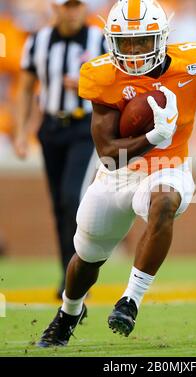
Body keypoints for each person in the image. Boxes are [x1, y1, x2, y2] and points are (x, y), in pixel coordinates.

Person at [37, 0, 196, 347]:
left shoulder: (194, 63)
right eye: (125, 43)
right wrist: (153, 136)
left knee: (165, 202)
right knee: (87, 257)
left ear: (161, 38)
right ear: (112, 41)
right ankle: (69, 313)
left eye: (142, 41)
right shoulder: (102, 75)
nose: (133, 52)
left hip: (169, 167)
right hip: (119, 173)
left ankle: (130, 301)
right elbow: (109, 155)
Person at [14, 0, 107, 298]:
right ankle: (66, 275)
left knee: (71, 197)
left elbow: (116, 85)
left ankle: (79, 277)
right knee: (58, 205)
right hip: (51, 128)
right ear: (56, 8)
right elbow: (27, 87)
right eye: (68, 5)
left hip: (84, 127)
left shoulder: (98, 40)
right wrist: (21, 132)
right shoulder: (38, 41)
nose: (74, 11)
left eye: (78, 5)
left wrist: (87, 85)